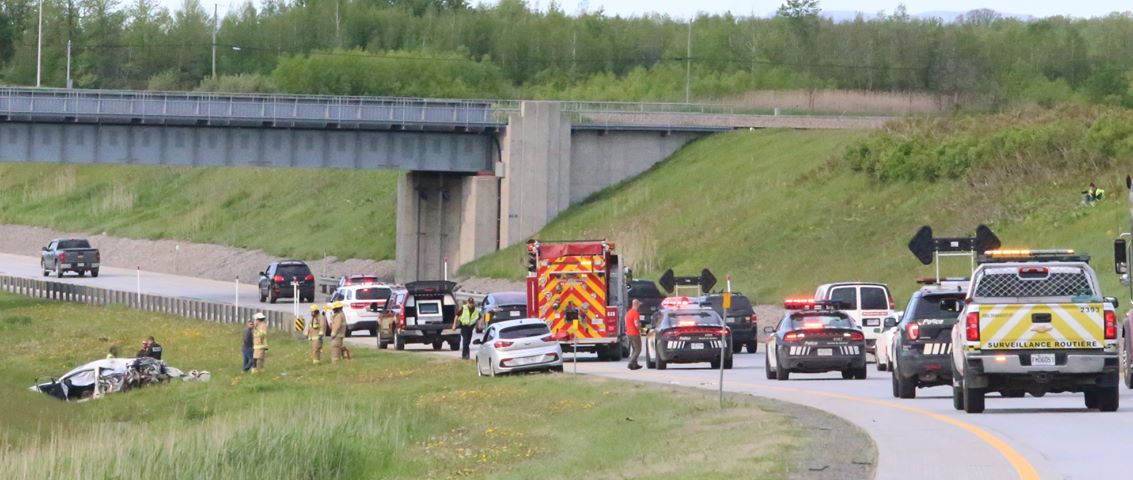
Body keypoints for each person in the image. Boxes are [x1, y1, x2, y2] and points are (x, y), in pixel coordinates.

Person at [625, 299, 643, 370]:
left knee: (634, 349)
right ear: (637, 304)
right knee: (638, 350)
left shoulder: (628, 312)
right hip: (634, 333)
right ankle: (631, 362)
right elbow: (636, 324)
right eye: (639, 304)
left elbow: (626, 323)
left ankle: (635, 365)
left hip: (629, 333)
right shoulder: (635, 313)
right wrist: (640, 327)